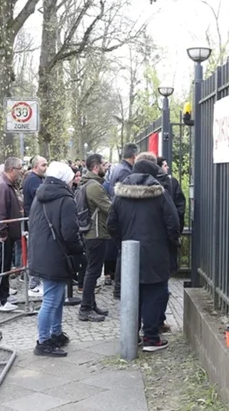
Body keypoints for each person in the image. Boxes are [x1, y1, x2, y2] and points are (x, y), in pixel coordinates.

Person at [108, 159, 180, 352]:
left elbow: (112, 225)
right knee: (155, 294)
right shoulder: (159, 195)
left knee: (134, 294)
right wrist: (172, 245)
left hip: (129, 253)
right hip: (156, 253)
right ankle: (151, 337)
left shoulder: (120, 196)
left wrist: (122, 243)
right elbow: (173, 224)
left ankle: (133, 336)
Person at [28, 162, 82, 357]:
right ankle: (43, 341)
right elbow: (70, 232)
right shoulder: (65, 199)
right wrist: (79, 251)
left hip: (42, 252)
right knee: (51, 299)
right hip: (57, 254)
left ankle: (55, 333)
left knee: (56, 297)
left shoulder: (40, 195)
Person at [76, 154, 112, 322]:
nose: (106, 167)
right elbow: (108, 208)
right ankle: (85, 309)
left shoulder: (87, 183)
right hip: (96, 233)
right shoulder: (94, 186)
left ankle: (91, 304)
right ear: (96, 167)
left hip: (92, 233)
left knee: (93, 270)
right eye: (104, 165)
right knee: (93, 272)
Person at [0, 157, 24, 311]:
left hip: (7, 233)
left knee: (5, 264)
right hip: (2, 234)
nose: (22, 171)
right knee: (1, 265)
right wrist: (2, 232)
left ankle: (4, 294)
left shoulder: (7, 184)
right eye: (19, 168)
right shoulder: (2, 186)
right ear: (11, 170)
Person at [106, 143, 139, 298]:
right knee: (124, 252)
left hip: (117, 212)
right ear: (134, 156)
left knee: (122, 252)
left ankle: (118, 286)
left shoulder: (118, 168)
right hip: (123, 214)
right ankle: (120, 287)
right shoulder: (126, 171)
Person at [22, 156, 48, 293]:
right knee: (35, 251)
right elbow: (41, 196)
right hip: (34, 220)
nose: (46, 168)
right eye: (43, 165)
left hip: (35, 219)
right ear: (35, 167)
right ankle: (33, 284)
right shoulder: (33, 180)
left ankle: (36, 281)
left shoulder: (37, 179)